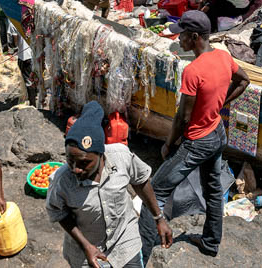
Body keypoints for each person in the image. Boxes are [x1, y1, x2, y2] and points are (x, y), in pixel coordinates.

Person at [140, 12, 249, 260]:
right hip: (217, 133)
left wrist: (169, 144)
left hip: (198, 141)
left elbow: (184, 117)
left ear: (195, 37)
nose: (179, 39)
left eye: (183, 35)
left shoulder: (193, 71)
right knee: (212, 190)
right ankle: (210, 243)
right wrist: (220, 104)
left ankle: (141, 255)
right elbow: (244, 80)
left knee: (155, 193)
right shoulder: (223, 56)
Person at [48, 101, 172, 268]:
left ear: (101, 154)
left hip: (125, 243)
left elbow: (141, 180)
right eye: (70, 161)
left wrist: (159, 218)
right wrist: (86, 246)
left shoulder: (121, 156)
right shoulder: (61, 181)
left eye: (84, 163)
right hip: (87, 253)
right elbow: (58, 213)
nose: (76, 169)